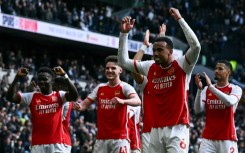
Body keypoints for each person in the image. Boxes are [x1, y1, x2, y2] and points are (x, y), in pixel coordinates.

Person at [118, 7, 201, 153]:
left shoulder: (182, 65)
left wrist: (180, 20)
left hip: (177, 128)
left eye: (159, 50)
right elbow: (124, 62)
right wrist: (124, 34)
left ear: (170, 52)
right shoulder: (150, 67)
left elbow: (196, 46)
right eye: (154, 50)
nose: (155, 53)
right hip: (154, 130)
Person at [73, 55, 141, 153]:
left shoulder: (125, 87)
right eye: (107, 68)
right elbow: (83, 105)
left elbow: (138, 101)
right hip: (101, 139)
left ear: (120, 70)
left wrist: (123, 101)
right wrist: (79, 107)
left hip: (120, 138)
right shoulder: (100, 88)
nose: (109, 70)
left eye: (113, 68)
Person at [6, 66, 79, 153]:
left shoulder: (60, 95)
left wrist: (65, 75)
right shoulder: (32, 96)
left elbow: (74, 95)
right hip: (37, 144)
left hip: (57, 144)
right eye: (39, 79)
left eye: (44, 79)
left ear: (52, 81)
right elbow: (10, 97)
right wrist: (17, 77)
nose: (41, 82)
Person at [131, 24, 166, 153]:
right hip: (149, 129)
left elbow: (165, 56)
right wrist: (144, 46)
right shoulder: (146, 82)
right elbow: (133, 67)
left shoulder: (172, 78)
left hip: (170, 127)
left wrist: (162, 37)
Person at [194, 60, 242, 153]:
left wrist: (212, 88)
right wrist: (199, 91)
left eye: (220, 69)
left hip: (227, 138)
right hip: (208, 139)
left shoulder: (235, 89)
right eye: (215, 68)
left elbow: (229, 102)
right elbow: (197, 110)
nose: (216, 71)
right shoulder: (206, 89)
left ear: (228, 72)